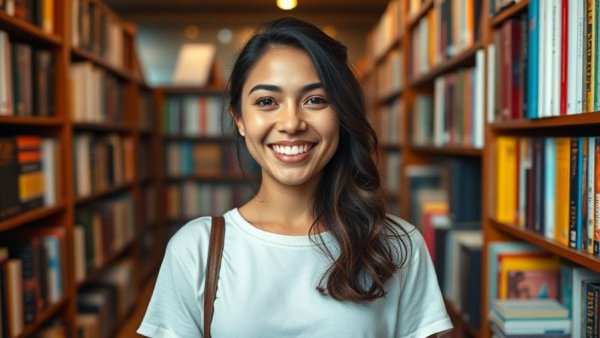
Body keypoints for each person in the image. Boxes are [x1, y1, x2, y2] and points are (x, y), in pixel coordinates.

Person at [137, 17, 452, 338]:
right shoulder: (196, 248)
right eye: (266, 102)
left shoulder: (397, 245)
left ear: (341, 113)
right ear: (240, 118)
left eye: (315, 100)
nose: (291, 122)